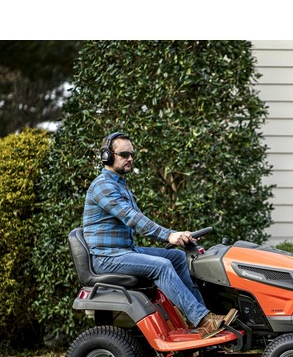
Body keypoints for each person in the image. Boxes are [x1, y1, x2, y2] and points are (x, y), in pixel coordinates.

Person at [83, 131, 237, 337]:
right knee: (161, 266)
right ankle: (203, 319)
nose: (130, 159)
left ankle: (202, 320)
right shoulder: (103, 186)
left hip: (124, 251)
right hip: (106, 257)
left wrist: (177, 236)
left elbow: (138, 220)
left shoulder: (119, 185)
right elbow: (132, 218)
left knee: (177, 257)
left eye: (132, 154)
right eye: (124, 154)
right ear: (107, 156)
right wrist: (168, 236)